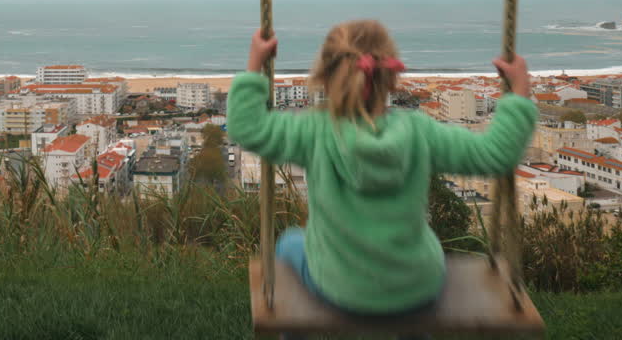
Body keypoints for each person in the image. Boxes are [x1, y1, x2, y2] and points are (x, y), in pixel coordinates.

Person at [229, 19, 537, 326]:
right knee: (425, 248)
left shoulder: (313, 132)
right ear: (391, 79)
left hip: (340, 289)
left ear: (325, 78)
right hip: (418, 287)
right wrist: (520, 92)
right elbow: (496, 153)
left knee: (290, 242)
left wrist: (256, 63)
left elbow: (247, 128)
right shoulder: (420, 132)